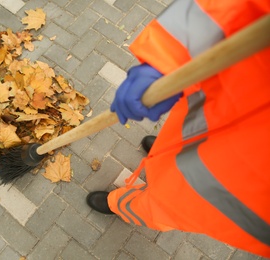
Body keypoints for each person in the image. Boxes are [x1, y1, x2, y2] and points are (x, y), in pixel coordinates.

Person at [86, 0, 270, 257]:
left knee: (160, 203)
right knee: (172, 144)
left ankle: (121, 204)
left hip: (235, 186)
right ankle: (163, 155)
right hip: (221, 109)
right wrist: (169, 58)